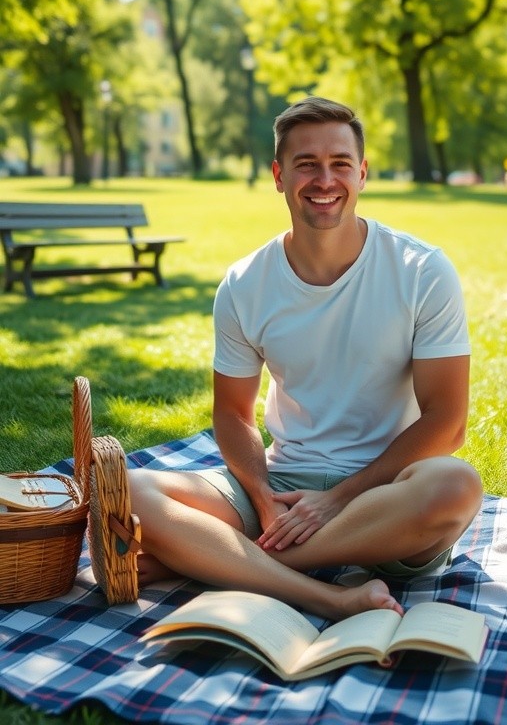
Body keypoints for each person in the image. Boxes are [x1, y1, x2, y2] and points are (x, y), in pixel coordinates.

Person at [129, 97, 483, 622]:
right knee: (130, 487)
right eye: (306, 164)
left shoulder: (422, 271)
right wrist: (262, 496)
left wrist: (340, 497)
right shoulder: (245, 284)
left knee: (457, 485)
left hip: (385, 497)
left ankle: (224, 559)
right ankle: (325, 596)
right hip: (282, 489)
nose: (325, 180)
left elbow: (447, 423)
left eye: (340, 163)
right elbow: (232, 414)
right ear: (278, 175)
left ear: (361, 174)